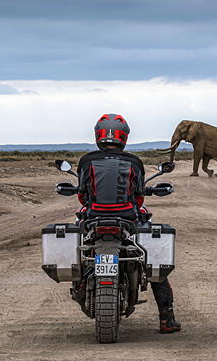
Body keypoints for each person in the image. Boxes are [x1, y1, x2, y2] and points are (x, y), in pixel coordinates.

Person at [76, 113, 181, 333]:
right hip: (127, 219)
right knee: (151, 259)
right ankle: (166, 319)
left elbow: (83, 196)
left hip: (94, 217)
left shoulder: (86, 161)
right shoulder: (134, 162)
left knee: (79, 246)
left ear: (98, 135)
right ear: (124, 137)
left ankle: (82, 283)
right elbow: (139, 197)